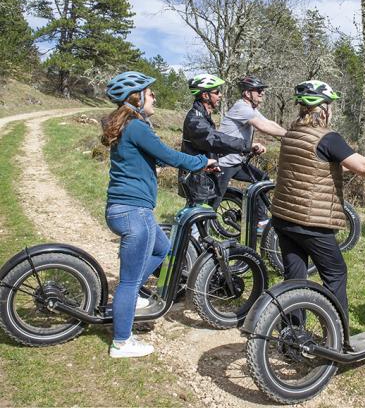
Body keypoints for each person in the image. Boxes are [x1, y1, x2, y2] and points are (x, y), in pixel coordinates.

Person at [270, 80, 365, 319]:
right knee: (335, 273)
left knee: (294, 277)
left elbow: (309, 167)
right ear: (323, 109)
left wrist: (339, 168)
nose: (331, 111)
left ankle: (291, 337)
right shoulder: (327, 137)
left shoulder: (292, 133)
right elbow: (363, 165)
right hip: (311, 221)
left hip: (283, 217)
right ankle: (337, 339)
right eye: (330, 106)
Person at [102, 71, 218, 358]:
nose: (154, 96)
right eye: (150, 93)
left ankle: (130, 302)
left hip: (127, 209)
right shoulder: (136, 127)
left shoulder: (127, 125)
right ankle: (121, 341)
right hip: (134, 211)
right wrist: (203, 162)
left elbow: (148, 158)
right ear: (136, 97)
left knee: (163, 248)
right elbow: (171, 156)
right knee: (128, 281)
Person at [214, 75, 287, 229]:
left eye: (262, 90)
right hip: (224, 163)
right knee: (214, 199)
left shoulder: (250, 109)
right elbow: (262, 126)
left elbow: (268, 122)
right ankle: (199, 230)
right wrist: (289, 135)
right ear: (247, 93)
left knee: (262, 179)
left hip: (237, 162)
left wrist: (290, 133)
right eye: (258, 90)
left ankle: (260, 220)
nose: (262, 93)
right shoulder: (242, 107)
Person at [180, 73, 259, 203]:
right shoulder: (195, 119)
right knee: (198, 217)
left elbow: (210, 145)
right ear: (205, 96)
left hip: (203, 174)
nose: (220, 95)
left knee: (203, 217)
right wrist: (246, 146)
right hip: (196, 178)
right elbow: (214, 139)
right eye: (217, 92)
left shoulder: (203, 116)